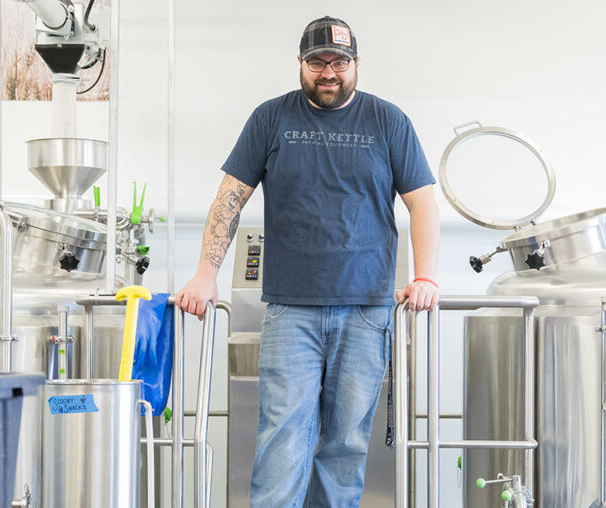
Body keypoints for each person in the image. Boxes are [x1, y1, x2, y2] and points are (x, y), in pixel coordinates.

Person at [176, 15, 441, 507]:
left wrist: (425, 276)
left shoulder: (387, 121)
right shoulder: (271, 118)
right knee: (282, 441)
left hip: (367, 311)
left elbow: (422, 202)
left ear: (356, 64)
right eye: (318, 62)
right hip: (290, 310)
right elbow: (230, 196)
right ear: (300, 63)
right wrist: (205, 274)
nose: (329, 73)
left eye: (339, 62)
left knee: (346, 446)